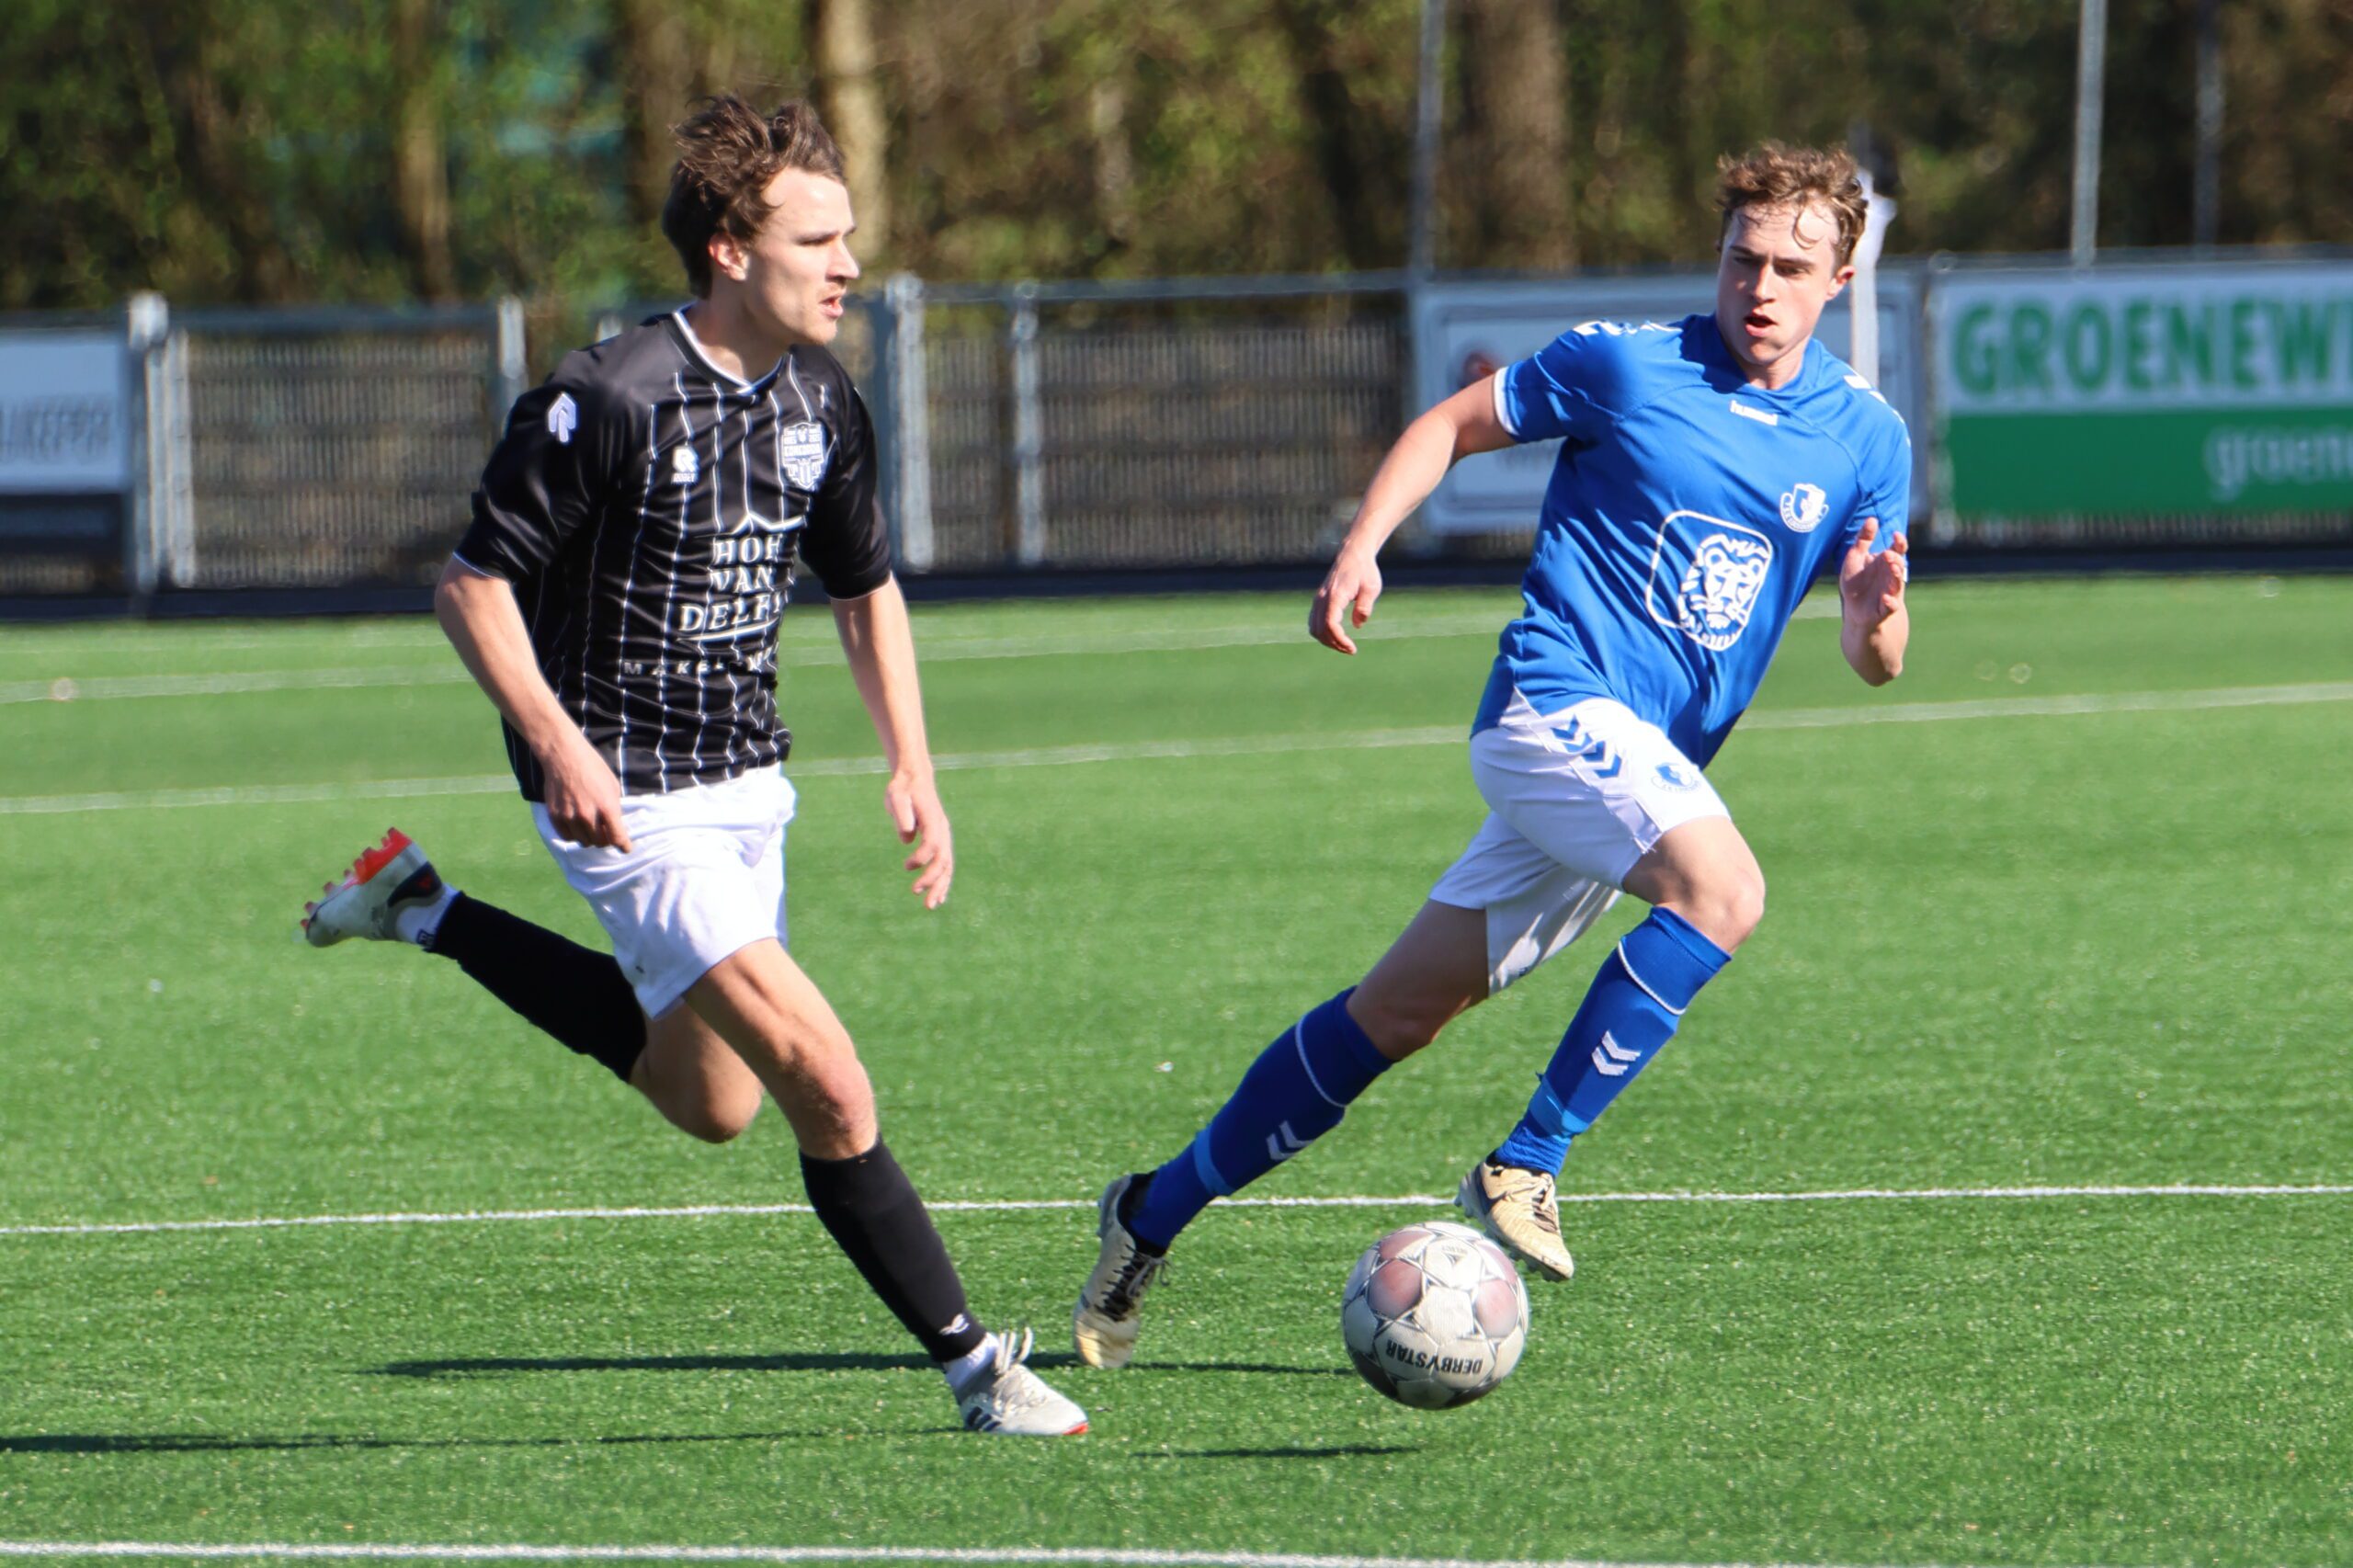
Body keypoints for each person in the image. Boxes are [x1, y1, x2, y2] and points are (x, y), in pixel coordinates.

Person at [301, 95, 1085, 1437]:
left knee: (713, 1101)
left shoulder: (822, 398)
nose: (848, 264)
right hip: (626, 794)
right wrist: (558, 743)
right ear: (729, 249)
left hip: (745, 786)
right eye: (816, 240)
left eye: (848, 236)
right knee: (829, 1079)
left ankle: (426, 907)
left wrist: (914, 763)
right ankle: (977, 1369)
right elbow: (472, 588)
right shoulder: (605, 396)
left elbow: (864, 588)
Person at [1073, 142, 1914, 1369]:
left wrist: (1876, 611)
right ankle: (1528, 1160)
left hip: (1635, 770)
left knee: (1393, 1016)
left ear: (1838, 278)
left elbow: (1873, 658)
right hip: (1550, 706)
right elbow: (1452, 425)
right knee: (1725, 891)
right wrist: (1364, 544)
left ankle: (1150, 1211)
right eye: (1744, 259)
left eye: (1793, 268)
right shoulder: (1627, 364)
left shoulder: (1867, 438)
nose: (1762, 287)